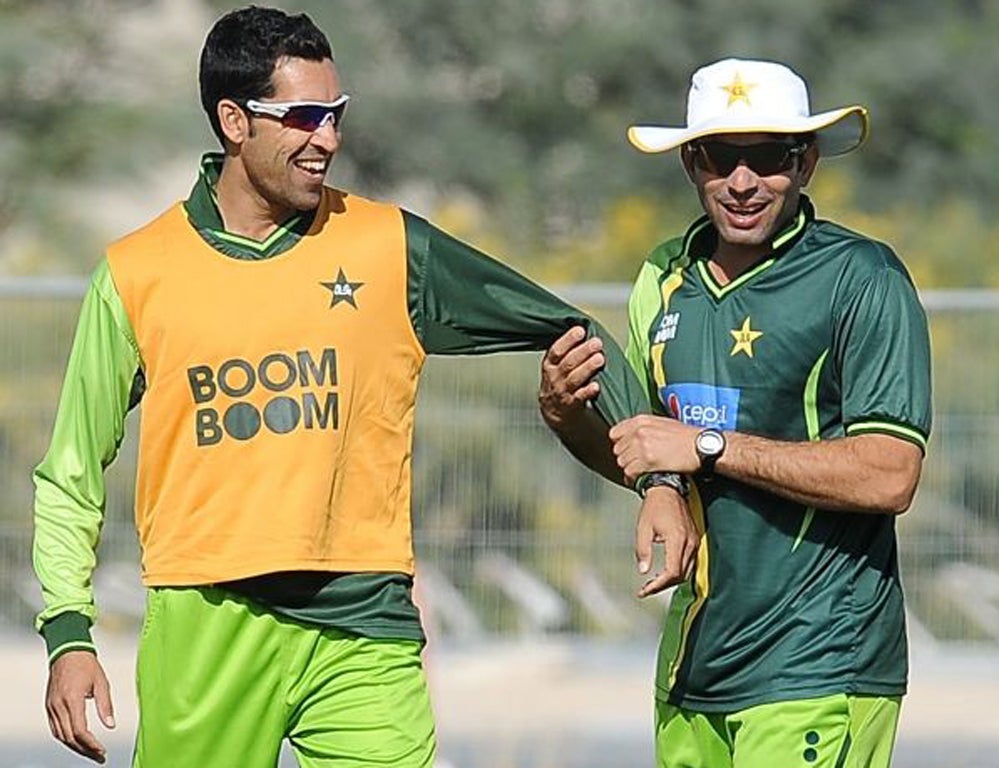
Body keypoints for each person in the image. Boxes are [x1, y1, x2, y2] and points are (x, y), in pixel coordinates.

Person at [32, 7, 697, 767]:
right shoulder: (135, 273)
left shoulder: (389, 246)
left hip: (365, 625)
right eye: (305, 116)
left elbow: (572, 330)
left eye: (337, 114)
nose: (329, 138)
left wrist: (661, 479)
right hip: (205, 622)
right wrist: (68, 631)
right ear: (234, 121)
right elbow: (70, 474)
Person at [539, 57, 931, 768]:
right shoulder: (663, 276)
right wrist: (571, 417)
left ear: (805, 161)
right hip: (695, 665)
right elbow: (649, 450)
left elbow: (890, 474)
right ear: (692, 161)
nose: (743, 182)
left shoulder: (862, 278)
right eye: (722, 157)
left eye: (768, 158)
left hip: (817, 663)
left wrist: (708, 445)